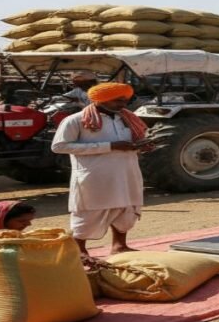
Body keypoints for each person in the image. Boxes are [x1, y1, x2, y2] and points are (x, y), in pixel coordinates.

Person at [52, 82, 150, 257]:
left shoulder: (127, 118)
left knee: (126, 208)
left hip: (127, 173)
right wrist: (109, 146)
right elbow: (59, 146)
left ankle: (119, 246)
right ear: (101, 100)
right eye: (117, 100)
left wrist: (142, 146)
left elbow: (132, 140)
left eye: (124, 99)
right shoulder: (76, 120)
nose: (123, 104)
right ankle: (79, 251)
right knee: (88, 212)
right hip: (95, 176)